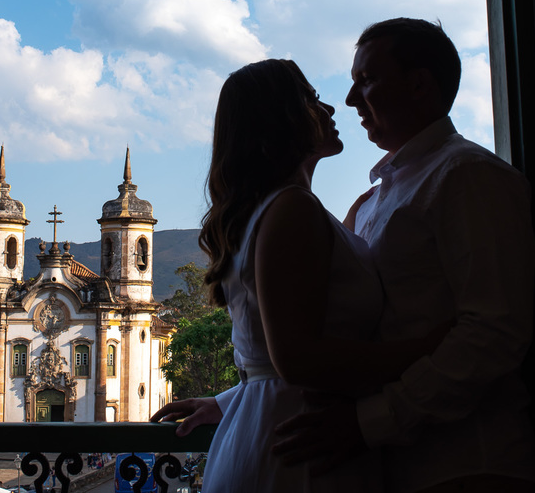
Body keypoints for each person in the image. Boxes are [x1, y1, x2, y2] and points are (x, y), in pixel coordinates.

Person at [151, 58, 443, 493]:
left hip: (277, 429)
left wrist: (229, 400)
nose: (329, 109)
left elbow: (272, 359)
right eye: (312, 98)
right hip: (301, 446)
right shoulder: (292, 209)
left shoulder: (271, 210)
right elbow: (296, 359)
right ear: (281, 119)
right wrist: (429, 347)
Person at [274, 18, 535, 493]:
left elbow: (494, 332)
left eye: (367, 81)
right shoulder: (376, 201)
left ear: (419, 85)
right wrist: (239, 400)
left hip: (465, 463)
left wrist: (369, 421)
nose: (353, 100)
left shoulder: (470, 178)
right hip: (384, 468)